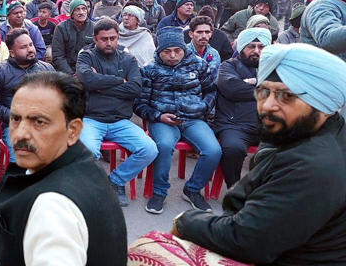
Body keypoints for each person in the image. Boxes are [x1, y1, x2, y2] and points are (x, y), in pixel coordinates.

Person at [168, 43, 346, 265]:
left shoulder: (313, 164)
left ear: (322, 102)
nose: (268, 105)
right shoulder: (313, 134)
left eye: (286, 95)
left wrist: (185, 221)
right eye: (263, 92)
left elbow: (247, 240)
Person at [0, 71, 127, 266]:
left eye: (39, 122)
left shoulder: (52, 208)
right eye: (16, 119)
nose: (20, 134)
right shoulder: (80, 161)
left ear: (73, 130)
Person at [134, 26, 220, 214]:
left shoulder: (198, 64)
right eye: (167, 51)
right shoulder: (149, 69)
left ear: (183, 48)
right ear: (159, 51)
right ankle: (159, 192)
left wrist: (203, 107)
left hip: (193, 119)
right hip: (162, 120)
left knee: (213, 150)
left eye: (177, 50)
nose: (172, 55)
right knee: (164, 146)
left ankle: (193, 189)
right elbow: (139, 103)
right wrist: (158, 116)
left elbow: (211, 91)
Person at [76, 18, 158, 206]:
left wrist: (99, 86)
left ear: (118, 37)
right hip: (91, 119)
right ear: (95, 38)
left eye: (113, 38)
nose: (109, 43)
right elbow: (87, 79)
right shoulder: (86, 56)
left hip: (120, 120)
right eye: (104, 39)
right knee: (88, 152)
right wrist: (120, 81)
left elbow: (135, 89)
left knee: (149, 149)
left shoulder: (128, 59)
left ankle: (115, 181)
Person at [213, 27, 270, 189]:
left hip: (268, 125)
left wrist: (252, 83)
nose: (256, 51)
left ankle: (269, 191)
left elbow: (288, 90)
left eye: (261, 47)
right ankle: (235, 191)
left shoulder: (273, 67)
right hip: (234, 125)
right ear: (242, 47)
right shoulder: (228, 66)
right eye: (251, 46)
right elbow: (233, 89)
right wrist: (269, 90)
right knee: (233, 149)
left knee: (292, 147)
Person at [0, 28, 54, 165]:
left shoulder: (47, 69)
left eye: (31, 45)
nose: (30, 49)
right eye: (23, 47)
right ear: (12, 53)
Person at [52, 0, 94, 75]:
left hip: (88, 70)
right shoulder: (61, 28)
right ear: (71, 13)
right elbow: (58, 56)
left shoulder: (94, 28)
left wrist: (85, 72)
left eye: (84, 9)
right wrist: (70, 74)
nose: (81, 12)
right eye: (77, 9)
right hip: (66, 71)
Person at [187, 16, 221, 82]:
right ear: (191, 34)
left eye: (207, 32)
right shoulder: (183, 53)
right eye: (199, 32)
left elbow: (216, 79)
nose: (204, 36)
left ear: (211, 34)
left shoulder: (214, 54)